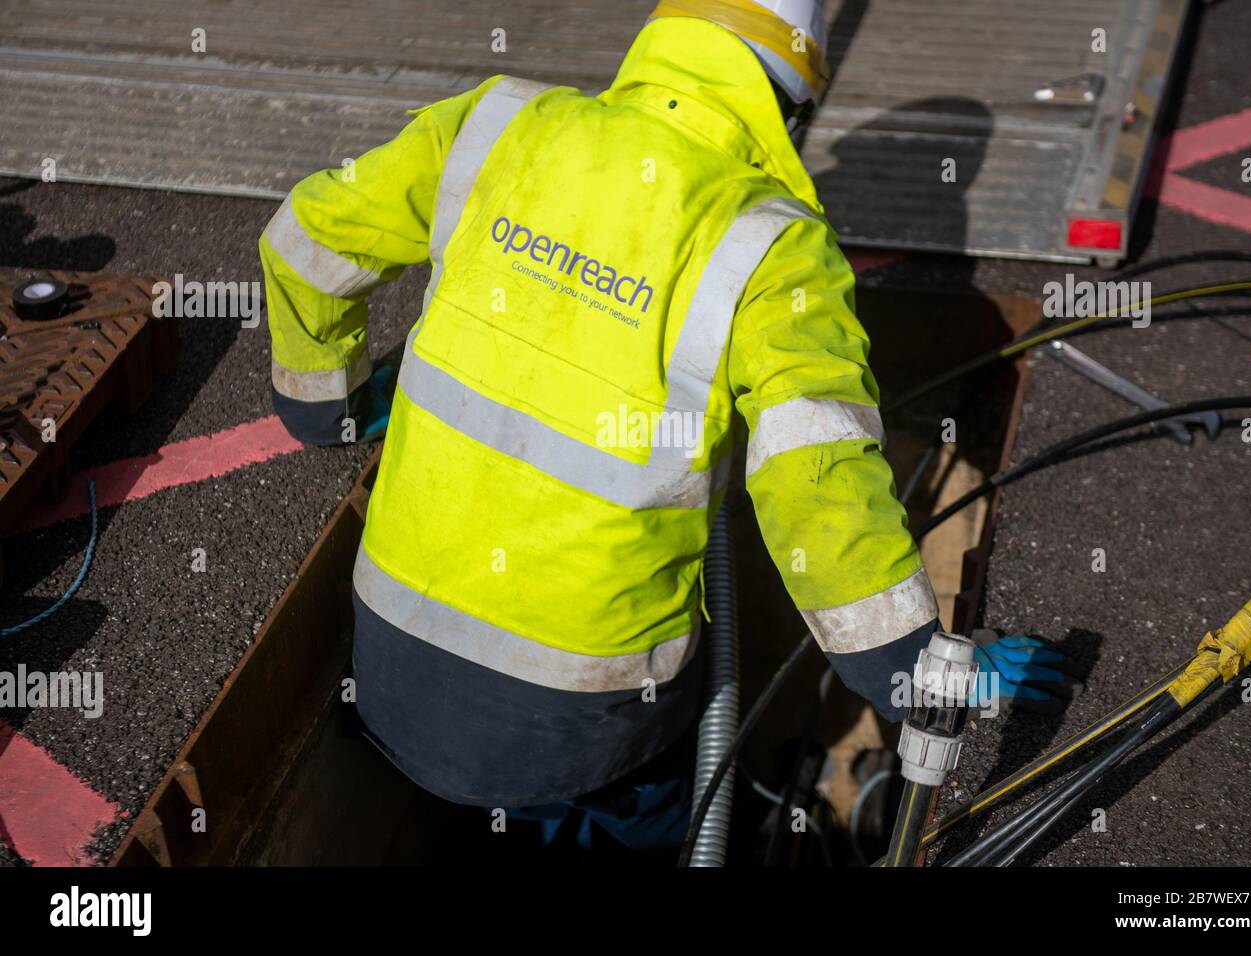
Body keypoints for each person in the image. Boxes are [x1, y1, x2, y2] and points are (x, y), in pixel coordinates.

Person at [260, 0, 951, 853]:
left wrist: (324, 399)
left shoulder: (495, 124)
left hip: (396, 671)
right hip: (591, 722)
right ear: (792, 107)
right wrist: (909, 661)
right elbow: (816, 472)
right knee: (656, 823)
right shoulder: (778, 248)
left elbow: (306, 240)